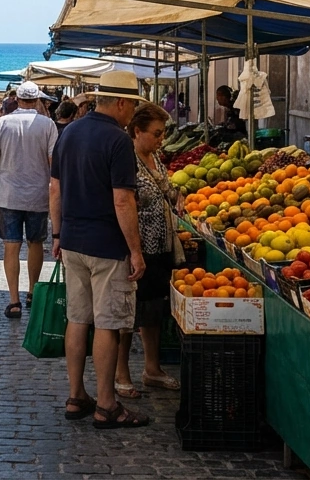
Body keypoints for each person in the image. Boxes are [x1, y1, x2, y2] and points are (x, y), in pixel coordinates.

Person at [50, 69, 148, 429]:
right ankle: (106, 404)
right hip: (106, 245)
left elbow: (54, 189)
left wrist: (58, 235)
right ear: (121, 103)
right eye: (132, 106)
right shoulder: (118, 140)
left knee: (77, 319)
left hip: (73, 241)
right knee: (107, 324)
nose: (132, 113)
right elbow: (123, 201)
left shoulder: (70, 131)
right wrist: (136, 252)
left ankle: (76, 396)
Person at [114, 102, 182, 400]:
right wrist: (134, 250)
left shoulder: (155, 158)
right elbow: (122, 202)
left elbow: (165, 192)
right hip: (137, 248)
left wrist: (177, 198)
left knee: (153, 310)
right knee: (129, 314)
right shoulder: (126, 160)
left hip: (160, 248)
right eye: (156, 133)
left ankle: (152, 369)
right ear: (137, 131)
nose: (161, 139)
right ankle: (121, 373)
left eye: (163, 133)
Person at [0, 81, 57, 319]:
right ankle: (32, 291)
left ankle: (14, 300)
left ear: (16, 100)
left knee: (11, 247)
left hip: (9, 195)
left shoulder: (2, 123)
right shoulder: (47, 125)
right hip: (38, 195)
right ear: (37, 101)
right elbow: (54, 163)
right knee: (36, 244)